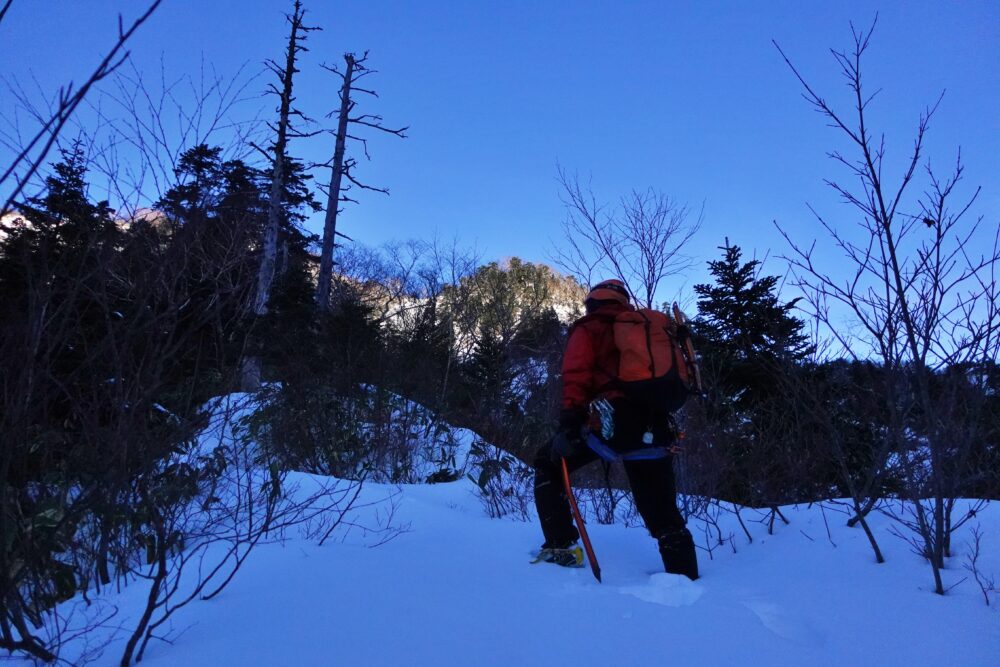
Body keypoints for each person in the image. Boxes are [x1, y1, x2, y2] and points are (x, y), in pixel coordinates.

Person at [531, 279, 699, 580]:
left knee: (548, 463)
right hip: (655, 423)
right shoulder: (643, 327)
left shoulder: (589, 328)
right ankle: (685, 579)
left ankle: (561, 546)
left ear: (592, 303)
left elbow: (576, 375)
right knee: (662, 510)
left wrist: (569, 424)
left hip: (612, 423)